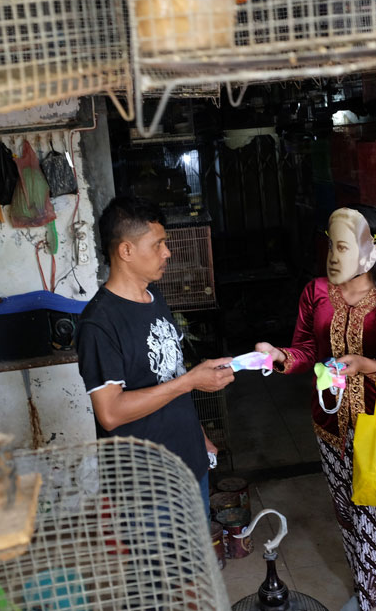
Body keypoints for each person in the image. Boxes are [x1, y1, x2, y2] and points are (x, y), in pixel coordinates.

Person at [255, 207, 376, 611]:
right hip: (331, 429)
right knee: (350, 517)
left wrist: (369, 366)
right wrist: (279, 356)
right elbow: (306, 350)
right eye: (331, 245)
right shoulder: (316, 293)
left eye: (344, 246)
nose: (333, 256)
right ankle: (367, 593)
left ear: (371, 250)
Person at [76, 196, 234, 515]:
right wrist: (190, 382)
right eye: (158, 244)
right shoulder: (99, 324)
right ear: (126, 251)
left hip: (189, 463)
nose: (167, 252)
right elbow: (110, 413)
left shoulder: (153, 297)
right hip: (148, 488)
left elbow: (172, 374)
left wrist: (198, 435)